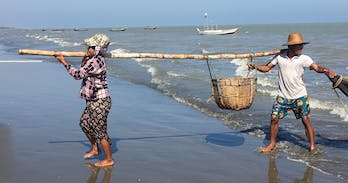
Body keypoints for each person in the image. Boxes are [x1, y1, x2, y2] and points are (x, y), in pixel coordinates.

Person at [247, 32, 336, 152]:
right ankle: (272, 144)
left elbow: (316, 68)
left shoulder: (304, 58)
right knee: (274, 119)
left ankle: (312, 146)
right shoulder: (279, 57)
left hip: (300, 96)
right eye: (299, 45)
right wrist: (256, 66)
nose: (301, 48)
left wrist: (326, 70)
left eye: (301, 45)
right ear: (291, 46)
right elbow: (267, 68)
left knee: (306, 120)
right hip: (283, 96)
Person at [55, 34, 114, 166]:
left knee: (100, 130)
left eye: (90, 47)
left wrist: (63, 62)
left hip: (100, 102)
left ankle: (109, 159)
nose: (88, 48)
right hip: (93, 101)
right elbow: (83, 68)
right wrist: (86, 56)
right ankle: (95, 149)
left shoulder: (95, 62)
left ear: (97, 48)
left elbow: (77, 75)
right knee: (84, 123)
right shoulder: (93, 59)